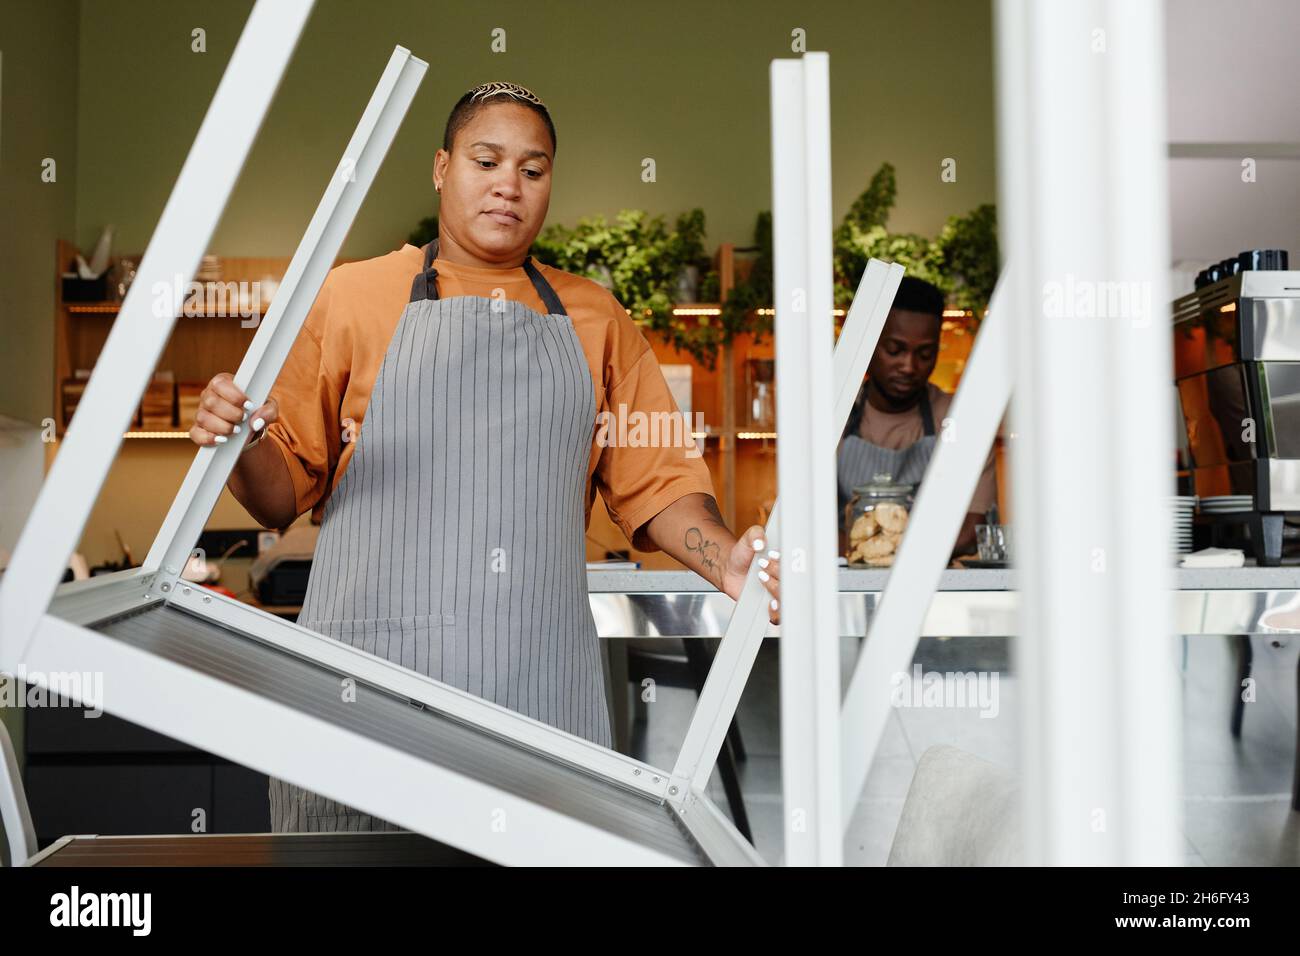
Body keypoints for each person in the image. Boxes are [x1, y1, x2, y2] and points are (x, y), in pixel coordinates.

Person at [188, 82, 781, 831]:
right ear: (442, 168)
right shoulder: (352, 297)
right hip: (366, 692)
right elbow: (279, 494)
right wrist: (237, 440)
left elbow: (657, 483)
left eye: (533, 170)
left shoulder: (594, 317)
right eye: (487, 160)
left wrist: (724, 558)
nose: (510, 185)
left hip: (534, 700)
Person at [838, 275, 996, 558]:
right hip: (842, 585)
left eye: (924, 353)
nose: (909, 366)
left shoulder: (960, 418)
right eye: (895, 350)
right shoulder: (833, 416)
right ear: (870, 343)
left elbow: (975, 526)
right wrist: (865, 554)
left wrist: (897, 556)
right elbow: (808, 524)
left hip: (937, 589)